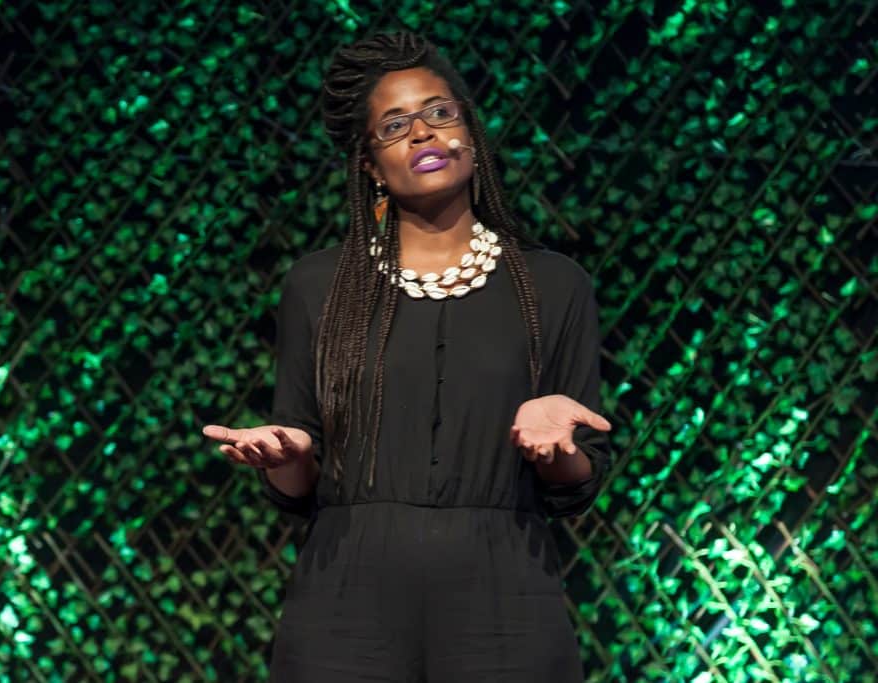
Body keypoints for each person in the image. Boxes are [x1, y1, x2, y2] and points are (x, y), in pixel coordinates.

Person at [202, 31, 613, 682]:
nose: (423, 132)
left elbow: (576, 482)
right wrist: (289, 458)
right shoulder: (317, 288)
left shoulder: (553, 286)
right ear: (369, 162)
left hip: (506, 602)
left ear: (470, 134)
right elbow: (298, 488)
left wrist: (557, 448)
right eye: (395, 125)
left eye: (439, 112)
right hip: (345, 606)